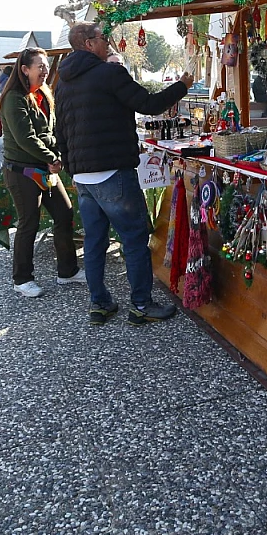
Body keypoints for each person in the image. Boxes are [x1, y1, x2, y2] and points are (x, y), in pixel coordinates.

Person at [55, 22, 192, 326]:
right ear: (89, 44)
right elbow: (149, 104)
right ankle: (141, 304)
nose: (109, 43)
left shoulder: (63, 82)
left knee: (94, 241)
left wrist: (72, 165)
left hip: (83, 176)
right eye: (104, 39)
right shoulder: (110, 73)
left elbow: (59, 130)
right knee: (134, 238)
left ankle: (99, 303)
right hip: (112, 171)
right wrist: (182, 84)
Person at [0, 48, 81, 298]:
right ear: (25, 69)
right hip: (22, 170)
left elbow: (51, 130)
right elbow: (26, 138)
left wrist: (57, 155)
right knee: (28, 223)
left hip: (46, 170)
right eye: (40, 67)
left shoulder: (44, 93)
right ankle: (22, 279)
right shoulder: (14, 97)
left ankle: (67, 271)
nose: (45, 71)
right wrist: (52, 158)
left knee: (65, 215)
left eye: (46, 66)